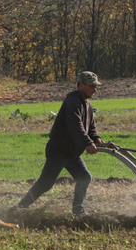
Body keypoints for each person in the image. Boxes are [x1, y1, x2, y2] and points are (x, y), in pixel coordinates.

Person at [13, 71, 117, 216]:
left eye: (95, 86)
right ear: (81, 85)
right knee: (46, 183)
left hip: (73, 152)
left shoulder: (87, 105)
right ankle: (22, 207)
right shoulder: (72, 102)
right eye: (91, 86)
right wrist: (87, 143)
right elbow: (75, 126)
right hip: (59, 150)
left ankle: (78, 211)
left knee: (84, 178)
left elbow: (90, 128)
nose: (95, 90)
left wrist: (96, 139)